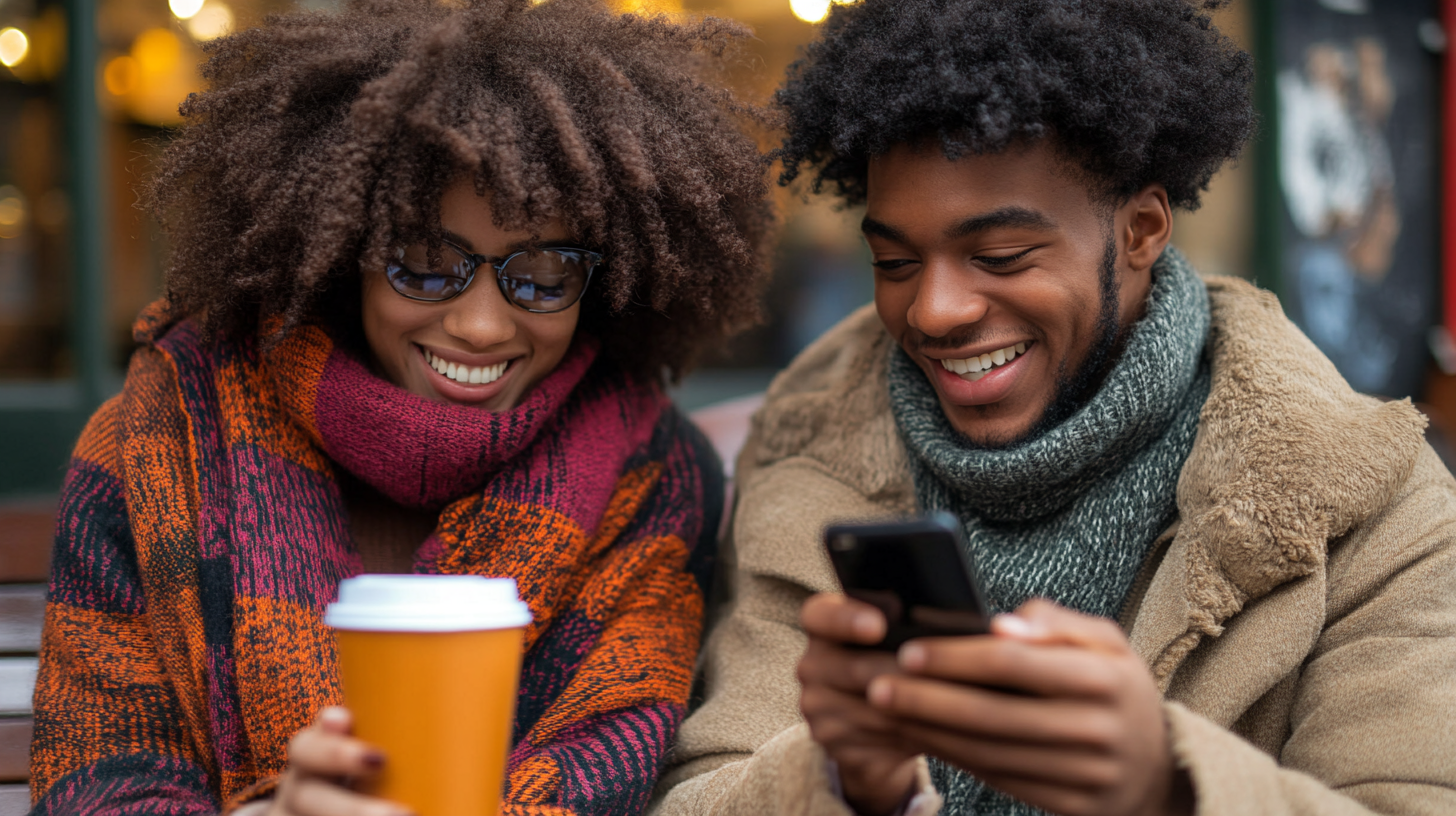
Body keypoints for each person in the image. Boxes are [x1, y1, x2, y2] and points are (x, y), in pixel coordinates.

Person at [650, 1, 1456, 815]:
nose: (934, 311)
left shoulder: (1369, 504)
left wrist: (1169, 784)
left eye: (999, 256)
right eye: (894, 261)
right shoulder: (806, 455)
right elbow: (702, 789)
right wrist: (839, 780)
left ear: (1141, 229)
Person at [29, 1, 774, 813]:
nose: (482, 325)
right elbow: (96, 782)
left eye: (542, 275)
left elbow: (604, 773)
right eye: (424, 262)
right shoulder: (157, 445)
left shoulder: (652, 473)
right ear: (346, 252)